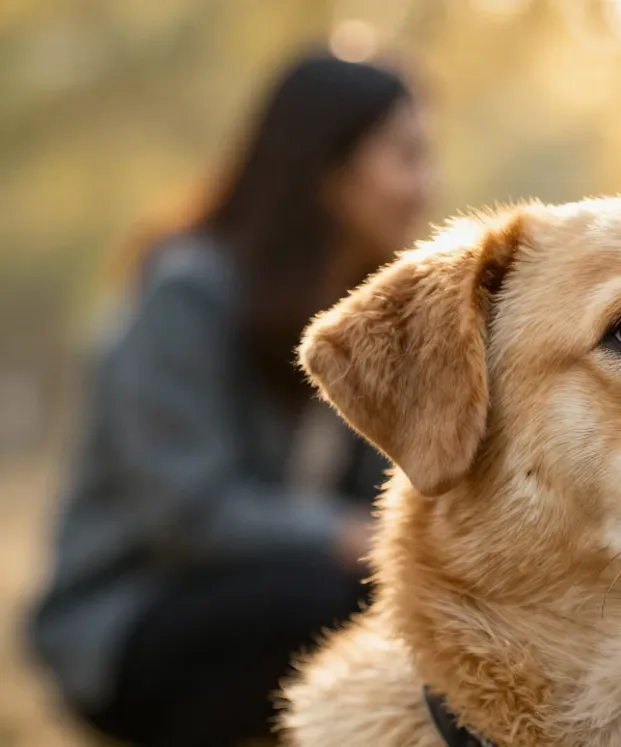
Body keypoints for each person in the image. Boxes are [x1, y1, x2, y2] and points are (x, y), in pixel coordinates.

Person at [29, 53, 430, 747]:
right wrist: (345, 538)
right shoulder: (188, 292)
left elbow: (389, 487)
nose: (427, 186)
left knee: (406, 593)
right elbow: (185, 508)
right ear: (329, 169)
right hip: (128, 623)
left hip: (275, 597)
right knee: (332, 593)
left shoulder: (359, 321)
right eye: (406, 156)